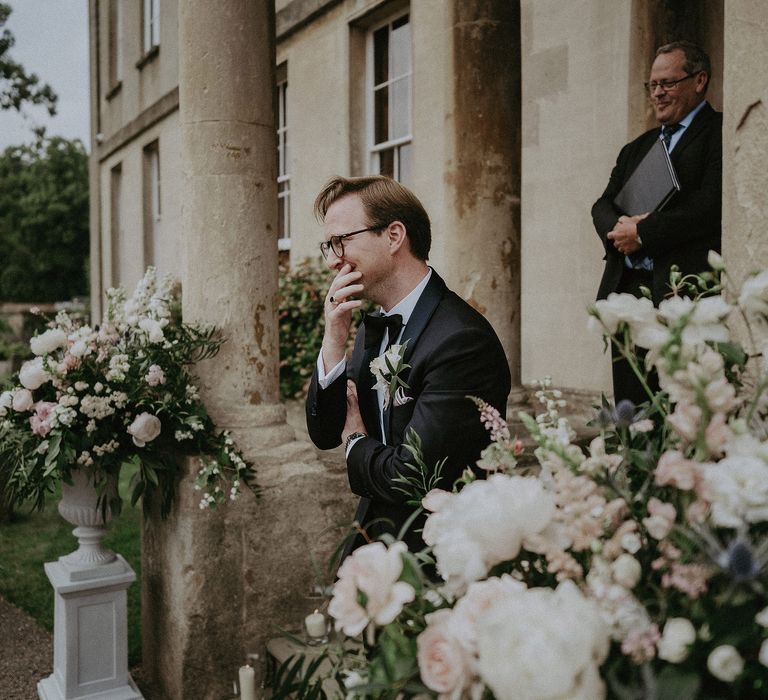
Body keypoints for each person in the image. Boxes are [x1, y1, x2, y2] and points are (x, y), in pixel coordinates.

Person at [306, 175, 511, 555]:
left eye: (342, 241)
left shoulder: (462, 342)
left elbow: (410, 477)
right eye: (328, 246)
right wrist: (334, 338)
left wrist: (355, 440)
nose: (333, 259)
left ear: (394, 235)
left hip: (440, 554)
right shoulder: (370, 329)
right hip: (375, 536)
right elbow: (324, 432)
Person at [591, 40, 722, 405]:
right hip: (627, 296)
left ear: (699, 81)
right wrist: (623, 232)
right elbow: (602, 204)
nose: (658, 93)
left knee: (682, 409)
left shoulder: (720, 134)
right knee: (633, 411)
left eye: (668, 83)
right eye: (652, 85)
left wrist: (644, 233)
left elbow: (711, 208)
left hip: (684, 296)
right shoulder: (636, 148)